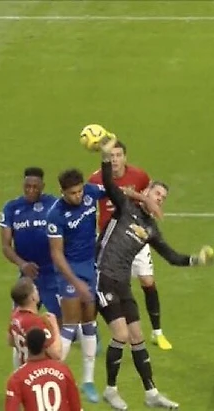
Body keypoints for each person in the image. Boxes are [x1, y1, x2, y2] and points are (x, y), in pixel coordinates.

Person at [92, 136, 214, 410]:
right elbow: (110, 184)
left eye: (163, 197)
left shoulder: (151, 230)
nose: (159, 198)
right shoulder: (125, 207)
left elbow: (172, 257)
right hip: (102, 275)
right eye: (156, 193)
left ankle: (151, 393)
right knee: (121, 334)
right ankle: (111, 390)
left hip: (122, 282)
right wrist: (105, 155)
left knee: (137, 336)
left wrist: (197, 260)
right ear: (145, 191)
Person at [89, 140, 173, 350]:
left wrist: (149, 203)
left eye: (119, 155)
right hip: (110, 239)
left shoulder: (140, 176)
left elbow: (149, 195)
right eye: (112, 155)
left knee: (147, 280)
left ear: (125, 157)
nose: (115, 160)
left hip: (136, 233)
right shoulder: (96, 178)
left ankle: (157, 332)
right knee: (100, 284)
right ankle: (91, 329)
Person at [45, 168, 107, 403]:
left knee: (89, 324)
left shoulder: (91, 192)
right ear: (62, 192)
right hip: (69, 272)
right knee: (70, 326)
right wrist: (76, 283)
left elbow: (115, 190)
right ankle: (49, 375)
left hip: (90, 268)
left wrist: (142, 197)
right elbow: (56, 255)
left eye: (80, 191)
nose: (78, 196)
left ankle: (88, 381)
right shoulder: (55, 215)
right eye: (72, 193)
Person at [0, 167, 60, 368]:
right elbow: (5, 246)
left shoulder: (53, 204)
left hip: (52, 275)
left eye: (35, 186)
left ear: (43, 186)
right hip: (27, 278)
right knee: (18, 328)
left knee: (59, 325)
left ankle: (52, 369)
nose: (31, 190)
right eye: (27, 186)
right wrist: (23, 264)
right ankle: (19, 373)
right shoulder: (11, 208)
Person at [5, 328, 82, 411]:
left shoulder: (17, 378)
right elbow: (76, 407)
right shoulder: (63, 370)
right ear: (46, 345)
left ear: (26, 345)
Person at [8, 277, 62, 365]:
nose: (38, 291)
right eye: (36, 289)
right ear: (32, 297)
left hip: (24, 367)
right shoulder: (35, 322)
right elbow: (57, 354)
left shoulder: (15, 316)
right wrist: (54, 325)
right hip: (39, 369)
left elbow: (10, 341)